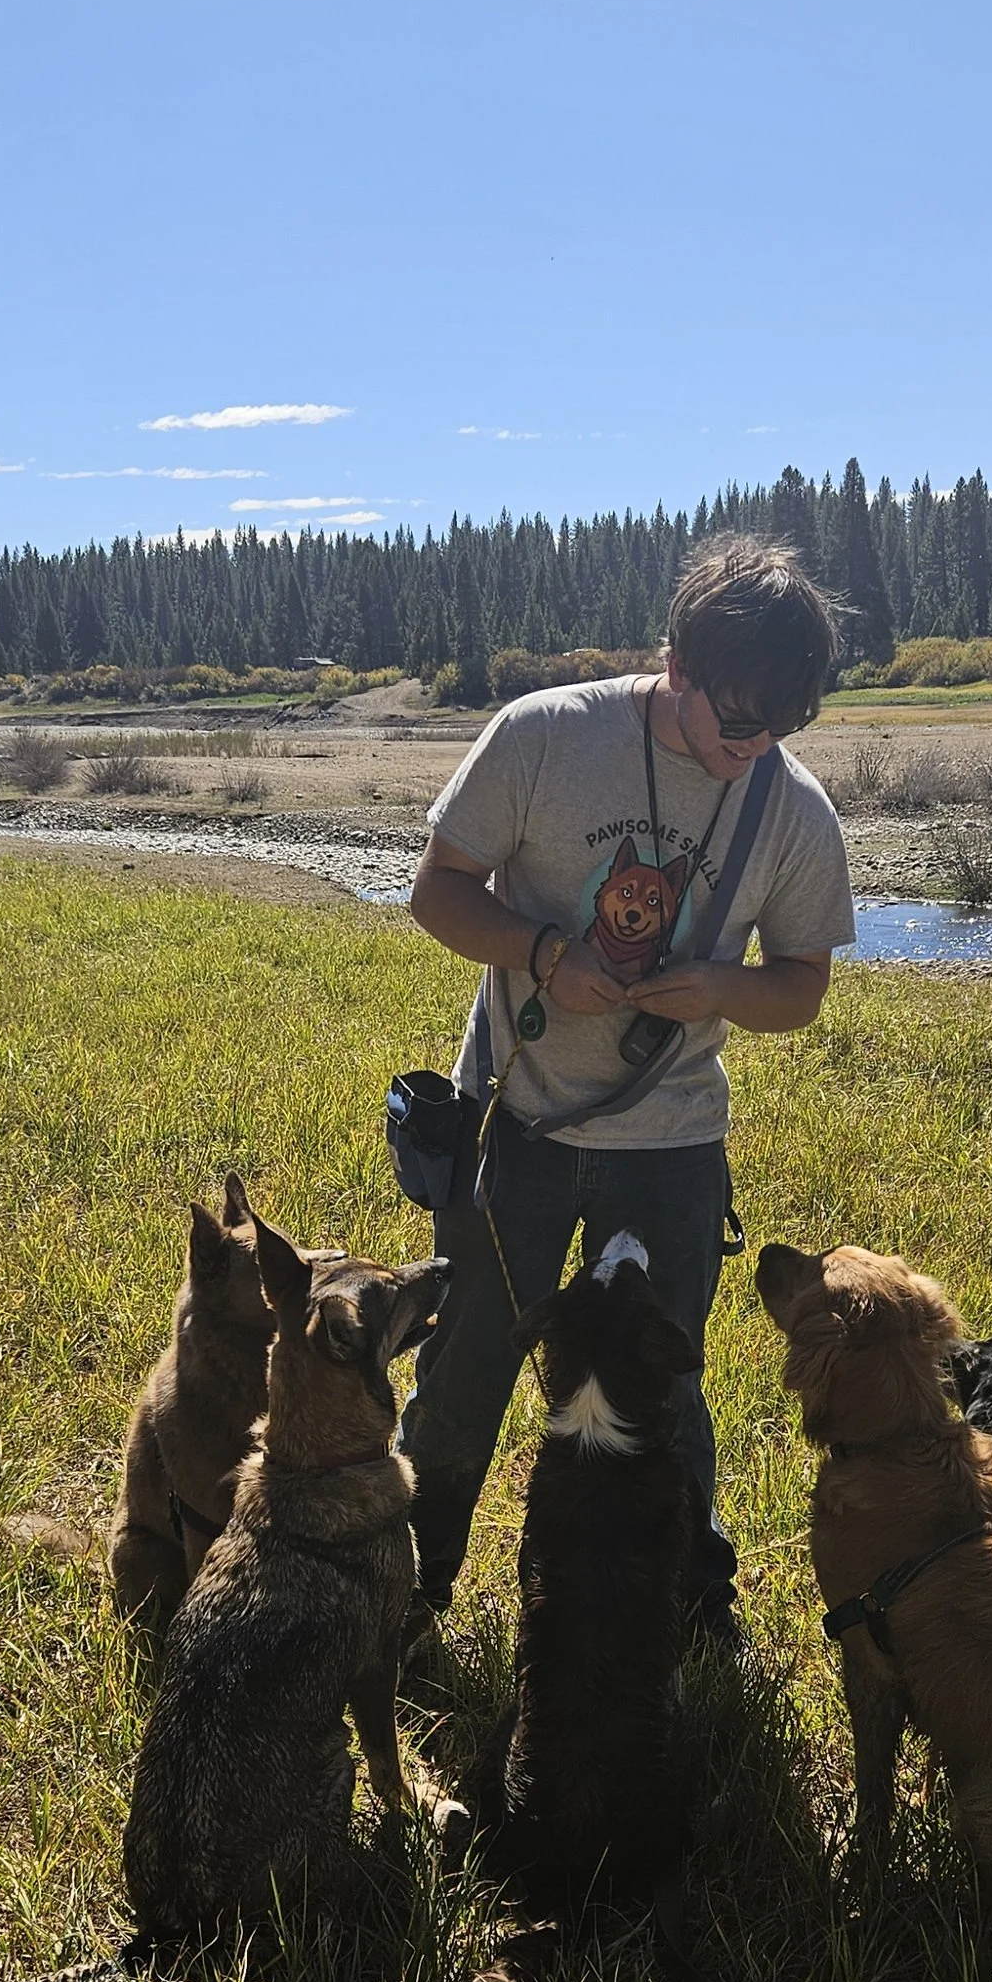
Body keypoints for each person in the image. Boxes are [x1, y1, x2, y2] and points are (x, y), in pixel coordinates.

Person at [398, 532, 855, 1650]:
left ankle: (696, 1609)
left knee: (665, 1385)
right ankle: (407, 1593)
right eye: (736, 724)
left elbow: (800, 991)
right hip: (517, 1122)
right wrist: (550, 956)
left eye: (781, 730)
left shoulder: (792, 811)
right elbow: (436, 895)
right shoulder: (545, 736)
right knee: (464, 1373)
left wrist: (723, 990)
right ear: (677, 665)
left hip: (673, 1144)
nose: (752, 753)